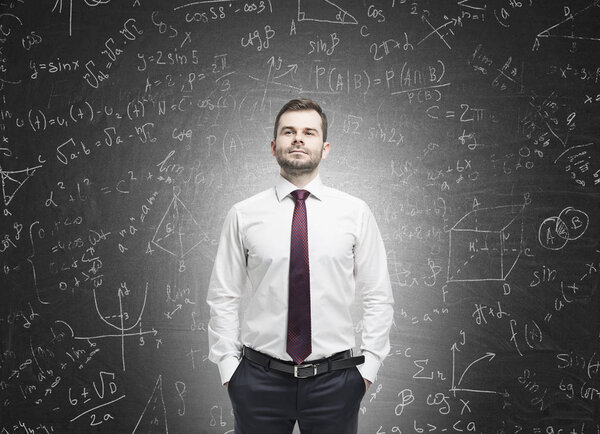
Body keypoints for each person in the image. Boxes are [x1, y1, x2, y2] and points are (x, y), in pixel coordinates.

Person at [207, 98, 394, 433]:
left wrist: (368, 370)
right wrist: (228, 370)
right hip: (258, 382)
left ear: (325, 148)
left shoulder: (355, 213)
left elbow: (377, 294)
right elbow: (223, 295)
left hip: (336, 382)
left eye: (308, 132)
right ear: (273, 145)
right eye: (288, 131)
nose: (297, 138)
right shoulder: (243, 214)